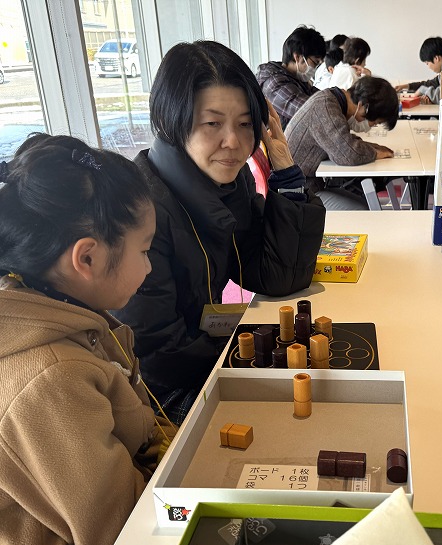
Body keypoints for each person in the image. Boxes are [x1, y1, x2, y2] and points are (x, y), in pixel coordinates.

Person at [0, 133, 168, 545]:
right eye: (144, 250)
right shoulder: (51, 379)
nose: (149, 267)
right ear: (87, 257)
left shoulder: (50, 313)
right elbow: (123, 540)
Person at [115, 41, 326, 424]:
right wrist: (253, 358)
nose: (233, 142)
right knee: (297, 413)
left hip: (203, 356)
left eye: (245, 124)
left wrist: (285, 168)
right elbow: (158, 359)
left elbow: (276, 275)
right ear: (172, 121)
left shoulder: (230, 182)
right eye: (212, 124)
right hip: (155, 394)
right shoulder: (139, 212)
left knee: (319, 391)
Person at [286, 76, 399, 210]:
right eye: (375, 123)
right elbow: (348, 153)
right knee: (364, 212)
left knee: (367, 205)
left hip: (310, 185)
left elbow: (346, 140)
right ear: (364, 107)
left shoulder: (332, 101)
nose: (371, 127)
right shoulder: (325, 108)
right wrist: (376, 153)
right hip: (296, 193)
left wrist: (377, 148)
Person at [257, 26, 326, 130]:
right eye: (315, 62)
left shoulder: (298, 79)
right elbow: (309, 111)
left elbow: (322, 97)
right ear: (297, 57)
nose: (315, 68)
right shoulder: (274, 83)